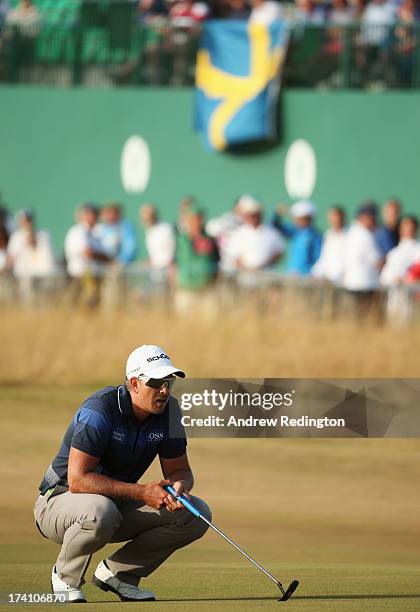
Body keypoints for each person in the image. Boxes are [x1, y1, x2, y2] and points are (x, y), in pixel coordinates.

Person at [33, 344, 210, 603]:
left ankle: (118, 575)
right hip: (58, 503)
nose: (164, 390)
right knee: (100, 510)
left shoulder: (169, 411)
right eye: (157, 382)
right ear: (135, 383)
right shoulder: (100, 410)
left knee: (195, 514)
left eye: (168, 382)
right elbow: (78, 480)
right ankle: (65, 577)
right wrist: (141, 492)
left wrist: (179, 485)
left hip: (113, 506)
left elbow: (179, 469)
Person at [342, 201, 383, 317]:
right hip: (364, 285)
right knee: (363, 319)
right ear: (363, 217)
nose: (374, 220)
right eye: (371, 216)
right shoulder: (364, 234)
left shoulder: (351, 232)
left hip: (353, 283)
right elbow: (377, 262)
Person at [64, 203, 109, 306]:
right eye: (89, 214)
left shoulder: (95, 233)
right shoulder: (79, 231)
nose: (93, 217)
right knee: (81, 303)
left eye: (94, 214)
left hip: (93, 275)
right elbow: (87, 252)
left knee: (93, 304)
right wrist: (107, 259)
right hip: (79, 275)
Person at [229, 195, 285, 272]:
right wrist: (247, 269)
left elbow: (279, 252)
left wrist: (265, 264)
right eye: (250, 215)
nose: (253, 218)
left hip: (267, 275)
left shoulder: (271, 232)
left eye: (255, 214)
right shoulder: (239, 234)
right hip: (245, 276)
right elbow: (234, 257)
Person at [272, 201, 322, 276]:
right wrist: (277, 214)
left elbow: (318, 258)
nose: (295, 220)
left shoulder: (315, 236)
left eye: (298, 218)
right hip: (292, 275)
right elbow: (276, 226)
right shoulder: (295, 232)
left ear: (307, 218)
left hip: (307, 277)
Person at [7, 209, 55, 281]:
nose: (27, 223)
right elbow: (11, 258)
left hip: (41, 275)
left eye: (28, 220)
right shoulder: (16, 237)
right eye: (24, 221)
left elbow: (49, 256)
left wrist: (35, 243)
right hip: (22, 275)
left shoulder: (44, 235)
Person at [380, 215, 420, 286]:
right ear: (400, 230)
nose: (408, 230)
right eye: (405, 227)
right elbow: (384, 278)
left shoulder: (418, 249)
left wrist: (407, 279)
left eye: (411, 229)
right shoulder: (393, 253)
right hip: (397, 293)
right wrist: (395, 279)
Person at [312, 206, 347, 284]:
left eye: (335, 216)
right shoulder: (328, 234)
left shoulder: (350, 235)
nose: (333, 220)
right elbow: (324, 257)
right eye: (331, 217)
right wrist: (316, 273)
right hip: (327, 280)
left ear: (342, 217)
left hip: (343, 282)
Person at [139, 203, 176, 270]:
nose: (145, 220)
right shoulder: (149, 231)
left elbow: (171, 253)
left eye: (148, 217)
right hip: (155, 268)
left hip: (167, 268)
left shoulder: (166, 229)